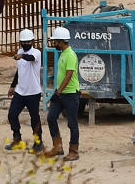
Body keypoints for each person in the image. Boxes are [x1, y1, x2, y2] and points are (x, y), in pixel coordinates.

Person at [43, 25, 80, 161]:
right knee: (51, 117)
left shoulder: (70, 55)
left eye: (55, 41)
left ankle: (74, 151)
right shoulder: (63, 54)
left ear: (60, 41)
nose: (54, 43)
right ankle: (57, 147)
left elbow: (69, 75)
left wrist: (58, 91)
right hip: (61, 93)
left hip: (70, 94)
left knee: (72, 123)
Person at [5, 29, 44, 152]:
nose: (26, 44)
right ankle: (17, 139)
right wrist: (13, 86)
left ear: (32, 41)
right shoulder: (20, 51)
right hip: (20, 92)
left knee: (34, 118)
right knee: (12, 115)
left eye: (28, 42)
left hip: (33, 92)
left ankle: (38, 143)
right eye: (23, 42)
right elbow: (19, 71)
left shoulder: (36, 52)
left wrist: (21, 56)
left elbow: (30, 58)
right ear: (20, 42)